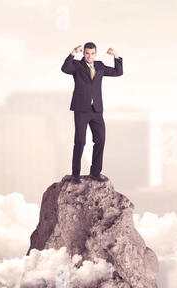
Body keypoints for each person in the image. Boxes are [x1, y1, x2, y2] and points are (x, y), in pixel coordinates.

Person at [61, 42, 123, 184]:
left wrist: (116, 55)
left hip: (96, 110)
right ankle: (75, 175)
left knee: (100, 140)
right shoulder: (77, 65)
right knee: (80, 142)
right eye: (87, 53)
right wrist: (73, 52)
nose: (90, 56)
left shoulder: (100, 66)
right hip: (81, 109)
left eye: (92, 53)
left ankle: (95, 173)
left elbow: (118, 72)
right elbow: (65, 68)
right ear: (84, 54)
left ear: (95, 54)